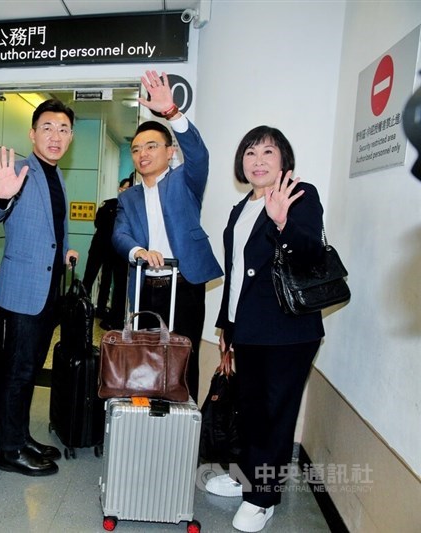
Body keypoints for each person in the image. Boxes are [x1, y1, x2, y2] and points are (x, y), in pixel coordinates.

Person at [206, 126, 325, 533]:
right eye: (250, 153)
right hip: (247, 328)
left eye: (268, 153)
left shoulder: (300, 194)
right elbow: (237, 273)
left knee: (275, 414)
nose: (257, 161)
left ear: (283, 160)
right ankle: (245, 477)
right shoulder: (242, 207)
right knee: (250, 408)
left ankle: (263, 498)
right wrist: (226, 325)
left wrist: (282, 223)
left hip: (288, 331)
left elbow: (310, 253)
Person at [0, 99, 78, 476]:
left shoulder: (56, 175)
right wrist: (2, 195)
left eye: (64, 129)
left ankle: (21, 436)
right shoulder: (19, 169)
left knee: (32, 368)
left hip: (48, 291)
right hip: (22, 293)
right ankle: (9, 450)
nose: (56, 136)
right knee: (17, 372)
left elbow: (50, 229)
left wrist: (62, 248)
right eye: (48, 128)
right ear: (32, 133)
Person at [112, 69, 223, 403]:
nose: (142, 154)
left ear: (169, 151)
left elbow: (200, 156)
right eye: (135, 149)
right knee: (146, 358)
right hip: (147, 285)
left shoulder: (185, 181)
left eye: (151, 146)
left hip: (185, 283)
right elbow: (120, 235)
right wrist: (138, 252)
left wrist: (173, 113)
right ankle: (146, 421)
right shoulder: (128, 197)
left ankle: (183, 425)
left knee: (183, 355)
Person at [83, 175, 133, 330]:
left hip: (117, 252)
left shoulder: (133, 209)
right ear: (119, 189)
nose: (124, 191)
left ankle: (103, 310)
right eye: (122, 188)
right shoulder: (109, 204)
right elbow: (98, 222)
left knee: (109, 281)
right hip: (99, 247)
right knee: (89, 278)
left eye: (128, 189)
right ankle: (80, 308)